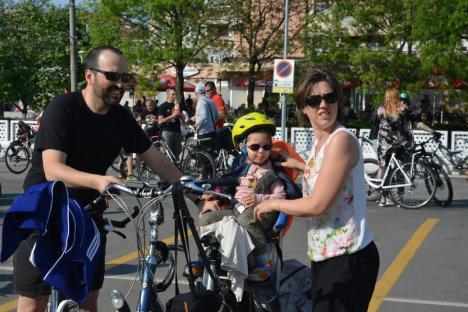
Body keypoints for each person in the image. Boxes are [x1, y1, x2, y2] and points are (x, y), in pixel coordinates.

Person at [13, 46, 183, 312]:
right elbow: (53, 170)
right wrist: (99, 181)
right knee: (33, 303)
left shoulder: (121, 117)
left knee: (88, 303)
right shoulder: (63, 108)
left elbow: (155, 158)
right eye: (112, 76)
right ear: (89, 75)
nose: (120, 84)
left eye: (125, 78)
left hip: (87, 215)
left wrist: (195, 191)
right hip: (44, 215)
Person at [253, 68, 380, 312]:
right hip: (326, 255)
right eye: (314, 100)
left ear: (338, 101)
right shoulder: (322, 141)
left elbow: (317, 204)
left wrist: (272, 203)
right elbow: (328, 176)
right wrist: (299, 165)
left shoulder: (340, 140)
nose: (323, 105)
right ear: (303, 106)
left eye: (329, 97)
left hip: (348, 256)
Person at [199, 112, 286, 281]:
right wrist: (214, 196)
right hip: (238, 209)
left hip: (262, 212)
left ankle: (263, 259)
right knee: (207, 219)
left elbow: (281, 196)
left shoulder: (271, 172)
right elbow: (229, 186)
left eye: (266, 147)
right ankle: (204, 256)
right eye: (255, 147)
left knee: (246, 219)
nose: (261, 152)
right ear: (243, 146)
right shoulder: (244, 168)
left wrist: (259, 199)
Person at [373, 88, 438, 206]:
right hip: (400, 145)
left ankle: (382, 198)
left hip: (384, 146)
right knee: (402, 170)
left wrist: (373, 141)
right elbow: (417, 123)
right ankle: (399, 199)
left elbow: (375, 128)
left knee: (383, 169)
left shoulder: (380, 110)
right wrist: (432, 131)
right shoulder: (402, 110)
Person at [191, 84, 218, 153]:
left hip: (204, 134)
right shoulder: (211, 101)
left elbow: (203, 118)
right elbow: (216, 116)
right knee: (211, 157)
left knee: (202, 159)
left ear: (196, 93)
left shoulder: (201, 102)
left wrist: (195, 126)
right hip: (212, 132)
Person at [158, 89, 183, 159]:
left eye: (176, 94)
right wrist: (172, 116)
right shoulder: (163, 106)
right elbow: (160, 121)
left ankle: (176, 169)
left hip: (177, 131)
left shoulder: (177, 106)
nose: (175, 96)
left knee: (177, 154)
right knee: (167, 155)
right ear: (168, 95)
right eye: (173, 94)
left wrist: (181, 115)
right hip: (167, 131)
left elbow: (183, 120)